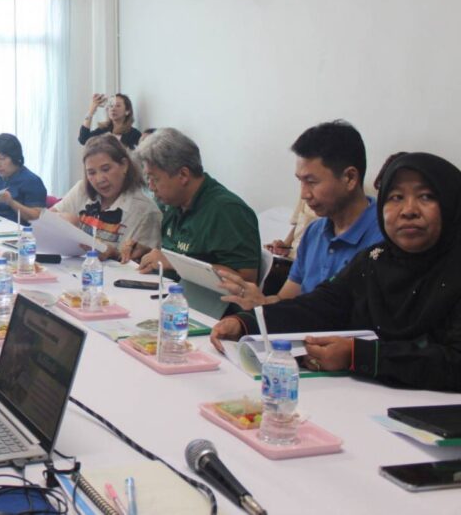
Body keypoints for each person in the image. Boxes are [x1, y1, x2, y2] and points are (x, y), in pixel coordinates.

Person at [211, 153, 461, 392]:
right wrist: (247, 323)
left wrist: (357, 356)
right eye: (396, 197)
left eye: (426, 197)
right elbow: (320, 306)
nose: (408, 210)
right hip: (364, 400)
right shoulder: (374, 260)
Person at [132, 129, 260, 317]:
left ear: (183, 175)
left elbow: (246, 283)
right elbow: (177, 253)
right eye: (148, 178)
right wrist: (146, 251)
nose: (151, 187)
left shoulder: (227, 211)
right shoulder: (173, 203)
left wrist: (175, 263)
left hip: (212, 315)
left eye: (154, 179)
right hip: (171, 299)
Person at [262, 122, 385, 303]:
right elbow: (287, 301)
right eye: (301, 181)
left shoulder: (385, 238)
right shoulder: (313, 232)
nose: (304, 194)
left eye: (311, 182)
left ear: (350, 178)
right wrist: (259, 303)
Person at [50, 135, 161, 261]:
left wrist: (113, 254)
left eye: (106, 169)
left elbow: (143, 263)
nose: (99, 179)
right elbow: (46, 219)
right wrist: (65, 218)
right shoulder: (81, 190)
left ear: (124, 165)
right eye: (91, 172)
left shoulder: (146, 211)